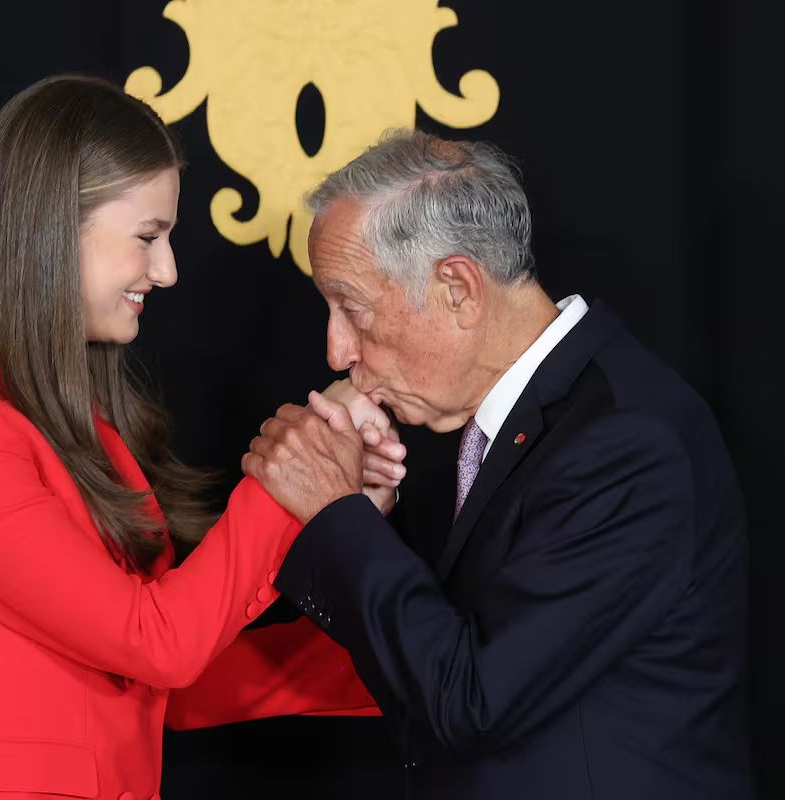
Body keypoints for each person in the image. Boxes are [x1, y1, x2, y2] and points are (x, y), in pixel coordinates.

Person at [0, 75, 398, 799]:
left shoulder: (91, 436)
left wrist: (404, 635)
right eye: (148, 237)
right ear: (47, 228)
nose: (166, 271)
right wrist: (295, 476)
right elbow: (159, 644)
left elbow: (174, 679)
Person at [243, 129, 754, 799]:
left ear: (458, 288)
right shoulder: (527, 423)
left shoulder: (629, 442)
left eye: (353, 309)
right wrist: (361, 518)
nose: (338, 349)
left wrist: (337, 515)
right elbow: (433, 676)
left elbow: (471, 703)